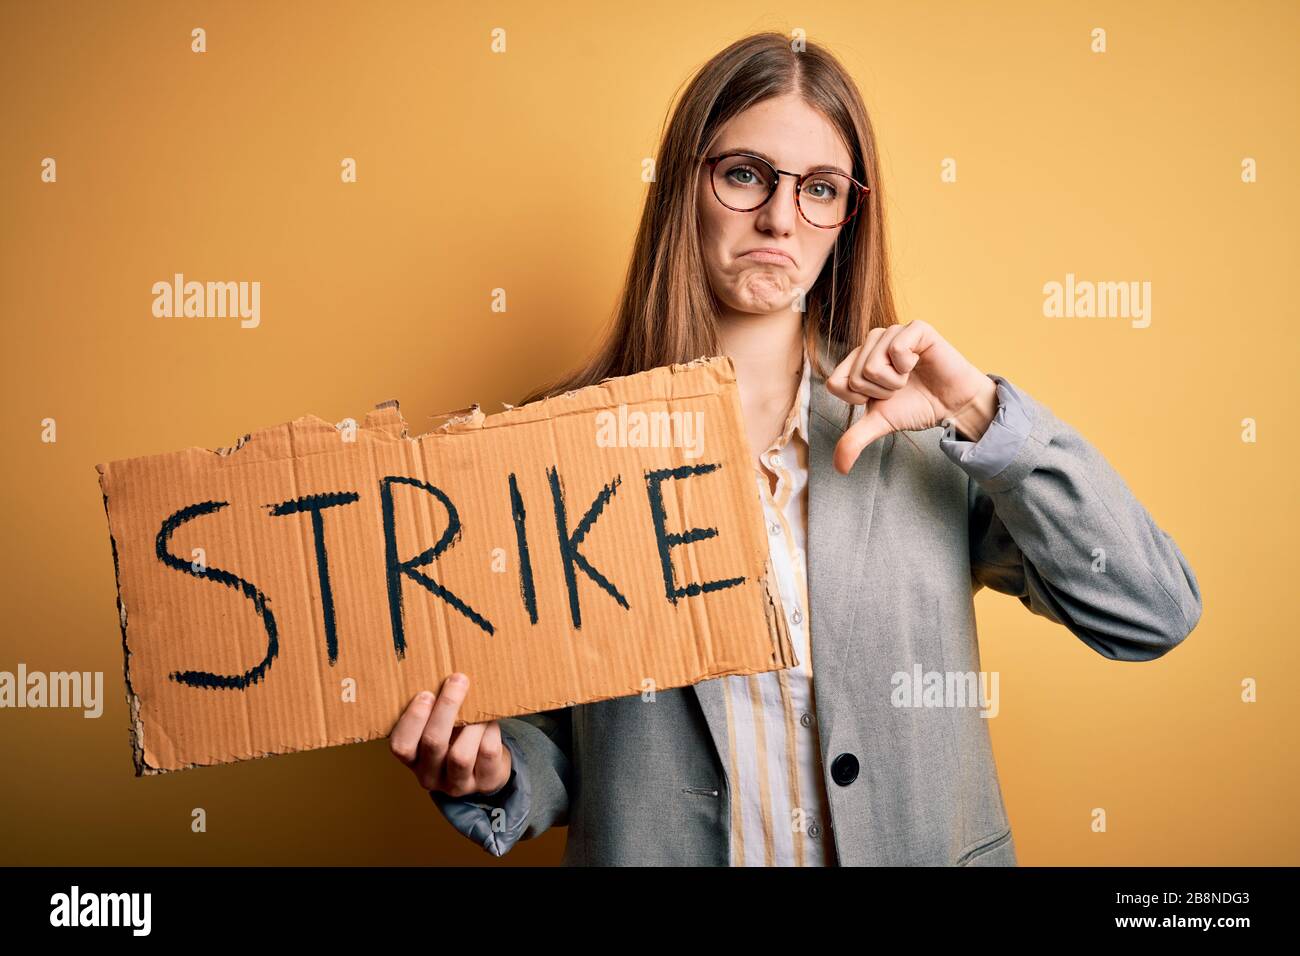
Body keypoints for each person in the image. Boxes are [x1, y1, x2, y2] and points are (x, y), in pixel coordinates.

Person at [387, 32, 1202, 866]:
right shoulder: (556, 439)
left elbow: (1151, 613)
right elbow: (563, 739)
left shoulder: (924, 434)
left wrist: (982, 410)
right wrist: (496, 772)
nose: (781, 217)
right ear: (684, 187)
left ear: (849, 217)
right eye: (745, 175)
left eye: (820, 189)